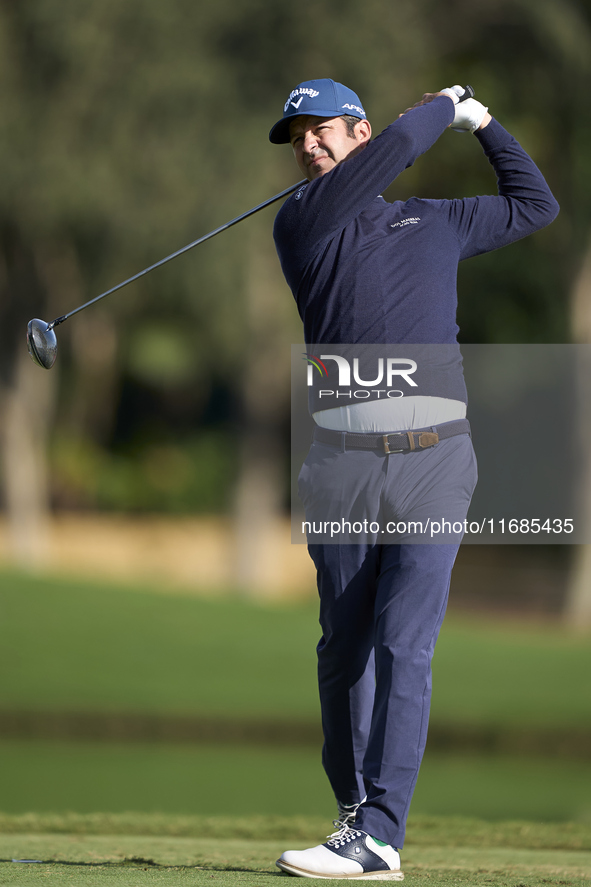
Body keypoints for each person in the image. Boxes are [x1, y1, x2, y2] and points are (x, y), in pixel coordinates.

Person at [269, 79, 559, 880]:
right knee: (344, 649)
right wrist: (440, 106)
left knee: (404, 643)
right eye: (296, 137)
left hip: (435, 462)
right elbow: (397, 148)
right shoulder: (303, 222)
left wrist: (484, 122)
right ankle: (353, 811)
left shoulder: (436, 220)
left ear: (355, 130)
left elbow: (535, 205)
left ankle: (380, 833)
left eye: (319, 130)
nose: (306, 146)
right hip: (340, 464)